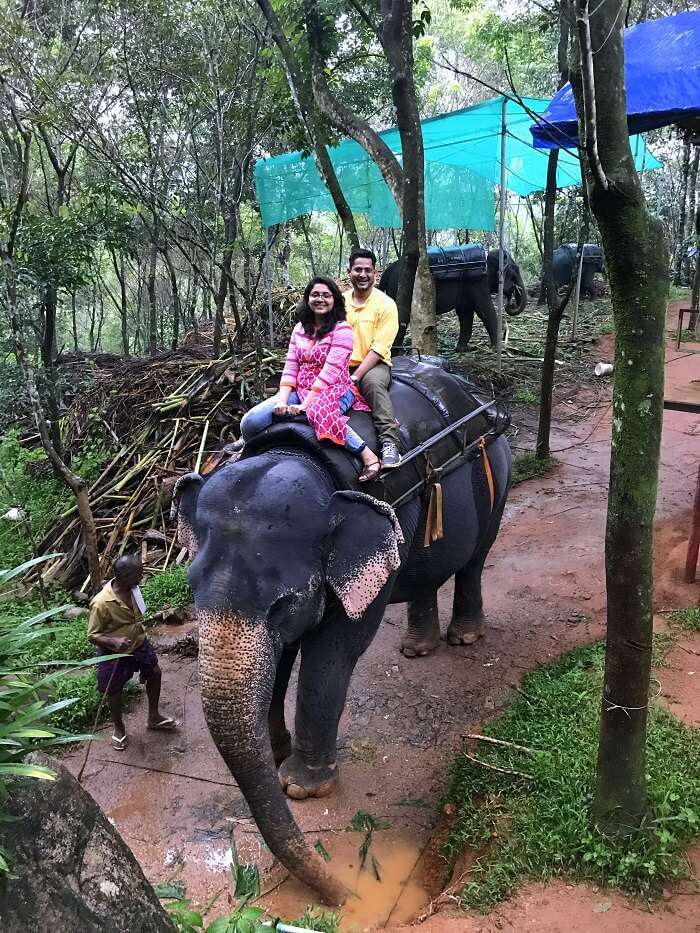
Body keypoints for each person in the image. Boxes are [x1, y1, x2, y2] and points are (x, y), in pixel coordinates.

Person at [239, 275, 382, 481]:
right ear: (307, 299)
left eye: (326, 295)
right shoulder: (299, 329)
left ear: (334, 301)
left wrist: (305, 405)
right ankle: (247, 446)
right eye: (315, 295)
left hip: (334, 388)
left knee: (314, 414)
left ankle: (368, 456)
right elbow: (291, 366)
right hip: (299, 389)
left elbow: (330, 372)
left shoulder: (342, 330)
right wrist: (282, 400)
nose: (320, 299)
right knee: (250, 421)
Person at [88, 554, 177, 750]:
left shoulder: (133, 589)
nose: (141, 578)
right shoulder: (101, 603)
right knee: (113, 690)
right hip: (114, 652)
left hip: (138, 642)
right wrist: (112, 640)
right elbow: (92, 635)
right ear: (124, 576)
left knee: (155, 673)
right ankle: (119, 728)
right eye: (138, 574)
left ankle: (154, 717)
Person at [343, 248, 402, 468]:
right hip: (340, 364)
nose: (363, 274)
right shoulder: (340, 302)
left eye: (368, 270)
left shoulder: (386, 305)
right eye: (358, 269)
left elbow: (379, 348)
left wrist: (356, 376)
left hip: (372, 365)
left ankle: (389, 441)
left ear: (375, 273)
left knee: (373, 384)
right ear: (349, 271)